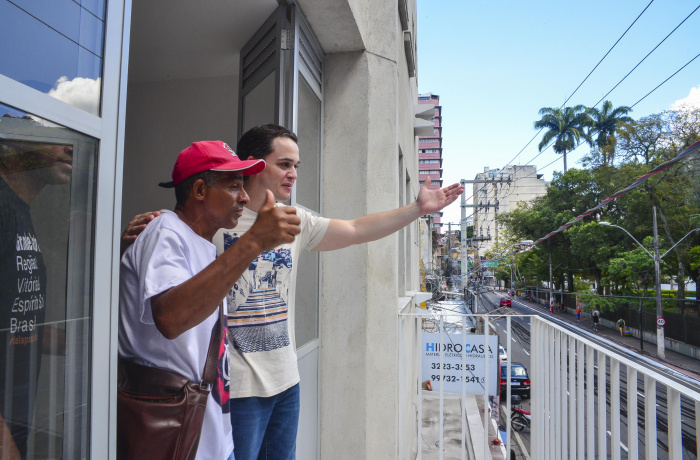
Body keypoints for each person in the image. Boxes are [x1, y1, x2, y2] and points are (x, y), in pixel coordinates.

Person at [124, 125, 464, 460]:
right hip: (233, 388)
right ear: (256, 164)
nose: (293, 174)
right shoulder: (208, 224)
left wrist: (417, 209)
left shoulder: (290, 219)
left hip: (284, 380)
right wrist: (150, 228)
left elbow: (357, 229)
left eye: (296, 166)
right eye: (284, 164)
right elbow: (169, 283)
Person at [118, 140, 301, 460]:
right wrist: (255, 240)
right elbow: (171, 319)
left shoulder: (202, 244)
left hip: (209, 434)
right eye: (234, 186)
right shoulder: (164, 230)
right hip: (173, 436)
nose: (244, 197)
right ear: (200, 190)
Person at [1, 138, 73, 459]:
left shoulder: (20, 212)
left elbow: (19, 327)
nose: (70, 146)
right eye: (54, 136)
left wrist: (92, 346)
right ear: (10, 140)